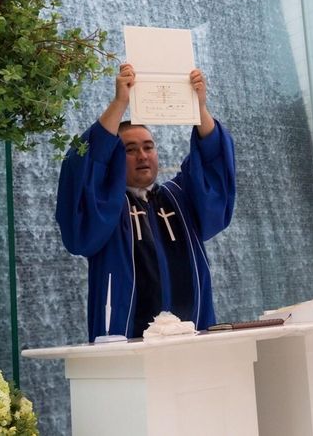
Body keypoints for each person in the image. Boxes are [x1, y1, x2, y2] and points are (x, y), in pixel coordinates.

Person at [56, 64, 235, 342]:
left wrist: (199, 108)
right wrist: (120, 103)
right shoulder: (105, 207)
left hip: (194, 337)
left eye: (148, 147)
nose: (142, 155)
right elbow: (83, 169)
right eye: (130, 149)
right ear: (114, 157)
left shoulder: (180, 198)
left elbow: (213, 165)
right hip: (126, 341)